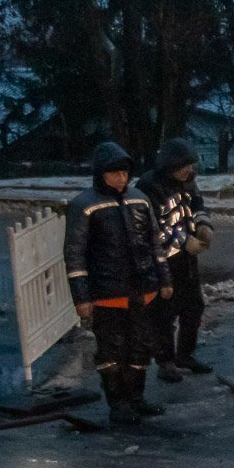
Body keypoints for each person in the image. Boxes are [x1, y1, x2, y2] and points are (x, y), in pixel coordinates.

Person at [64, 141, 172, 425]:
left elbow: (154, 242)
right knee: (111, 351)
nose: (120, 178)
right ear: (101, 174)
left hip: (142, 289)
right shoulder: (84, 205)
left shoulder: (140, 199)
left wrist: (164, 279)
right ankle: (118, 403)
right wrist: (82, 298)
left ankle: (136, 399)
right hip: (106, 293)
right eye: (114, 173)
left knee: (140, 347)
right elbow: (75, 255)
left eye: (124, 173)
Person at [137, 138, 214, 382]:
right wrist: (182, 240)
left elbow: (198, 204)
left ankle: (186, 354)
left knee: (193, 305)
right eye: (184, 166)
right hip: (160, 259)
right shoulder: (149, 186)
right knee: (164, 311)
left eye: (191, 166)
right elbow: (150, 226)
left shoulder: (188, 182)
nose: (189, 171)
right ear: (170, 165)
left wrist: (203, 224)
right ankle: (165, 361)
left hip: (186, 258)